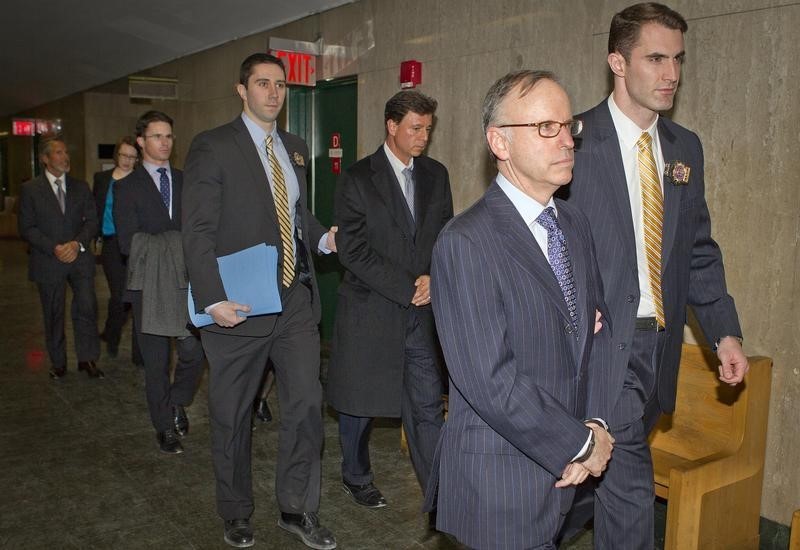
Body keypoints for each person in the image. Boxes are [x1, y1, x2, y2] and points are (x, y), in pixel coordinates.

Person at [560, 4, 749, 549]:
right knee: (631, 496)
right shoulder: (572, 141)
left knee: (596, 481)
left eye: (678, 60)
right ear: (617, 62)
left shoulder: (684, 148)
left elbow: (697, 251)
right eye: (656, 58)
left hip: (658, 350)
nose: (672, 74)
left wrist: (724, 332)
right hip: (599, 348)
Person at [426, 70, 615, 550]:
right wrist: (579, 444)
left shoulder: (572, 223)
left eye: (568, 126)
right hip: (500, 481)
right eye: (545, 127)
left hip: (566, 476)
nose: (567, 140)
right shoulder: (466, 241)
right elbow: (491, 382)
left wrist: (594, 425)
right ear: (500, 142)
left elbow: (594, 337)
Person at [182, 52, 337, 550]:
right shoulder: (212, 147)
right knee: (232, 413)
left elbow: (294, 215)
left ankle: (296, 509)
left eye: (281, 84)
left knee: (307, 404)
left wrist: (323, 240)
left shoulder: (294, 147)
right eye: (263, 83)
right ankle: (235, 510)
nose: (274, 92)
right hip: (238, 305)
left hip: (293, 300)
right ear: (241, 90)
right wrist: (213, 299)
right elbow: (198, 232)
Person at [326, 90, 453, 513]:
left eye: (428, 129)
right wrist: (406, 287)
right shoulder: (359, 178)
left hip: (421, 315)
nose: (423, 137)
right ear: (392, 126)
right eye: (416, 128)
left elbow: (445, 236)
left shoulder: (437, 174)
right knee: (360, 406)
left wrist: (435, 277)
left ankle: (440, 492)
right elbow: (353, 250)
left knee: (426, 405)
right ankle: (356, 475)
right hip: (373, 310)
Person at [114, 111, 205, 455]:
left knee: (194, 352)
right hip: (148, 286)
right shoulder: (126, 187)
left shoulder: (187, 180)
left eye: (168, 136)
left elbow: (199, 230)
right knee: (155, 363)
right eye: (156, 136)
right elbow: (127, 241)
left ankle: (177, 401)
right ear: (141, 141)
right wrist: (177, 240)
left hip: (186, 282)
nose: (164, 143)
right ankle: (164, 427)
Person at [18, 137, 103, 380]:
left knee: (86, 307)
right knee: (53, 313)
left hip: (79, 258)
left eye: (66, 151)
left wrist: (76, 244)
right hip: (48, 260)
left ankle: (87, 359)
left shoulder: (81, 187)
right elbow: (27, 227)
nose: (65, 157)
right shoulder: (30, 189)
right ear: (45, 159)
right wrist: (54, 247)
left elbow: (92, 221)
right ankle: (58, 363)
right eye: (58, 152)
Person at [93, 136, 137, 358]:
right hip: (111, 244)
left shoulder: (140, 181)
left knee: (130, 296)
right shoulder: (101, 179)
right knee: (119, 294)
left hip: (136, 245)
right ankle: (112, 337)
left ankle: (110, 330)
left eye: (132, 156)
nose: (127, 160)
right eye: (124, 155)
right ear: (116, 155)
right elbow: (94, 211)